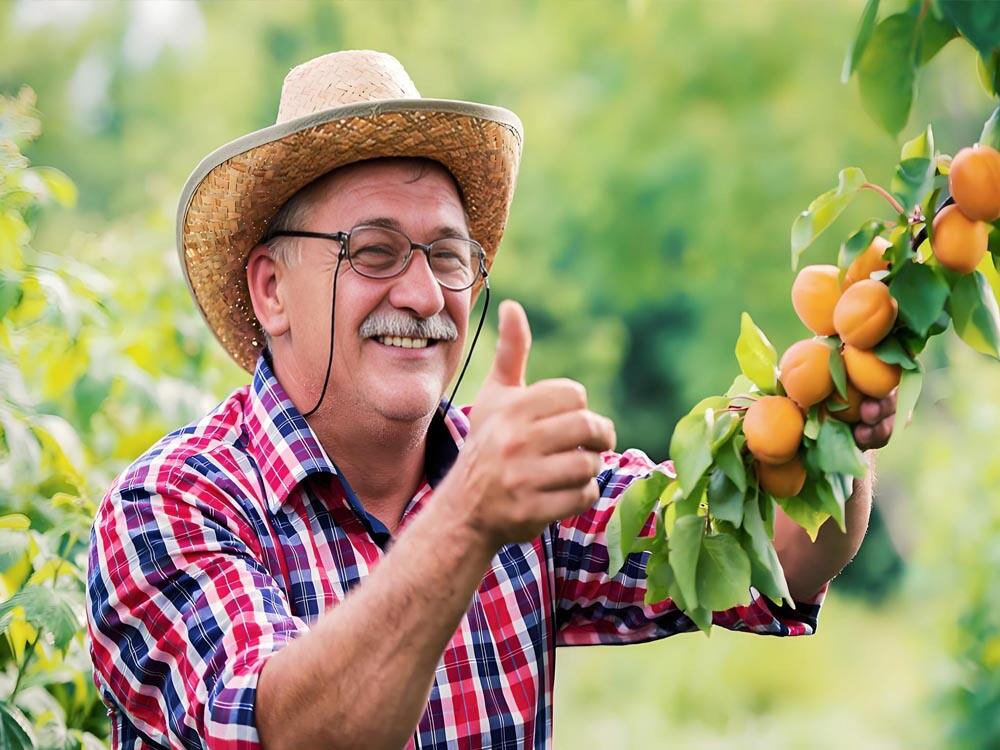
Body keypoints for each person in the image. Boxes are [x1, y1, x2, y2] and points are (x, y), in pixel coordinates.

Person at [86, 50, 896, 750]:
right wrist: (468, 518)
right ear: (271, 289)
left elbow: (778, 560)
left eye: (446, 254)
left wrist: (836, 418)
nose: (423, 292)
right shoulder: (168, 508)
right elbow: (292, 732)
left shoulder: (512, 479)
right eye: (372, 252)